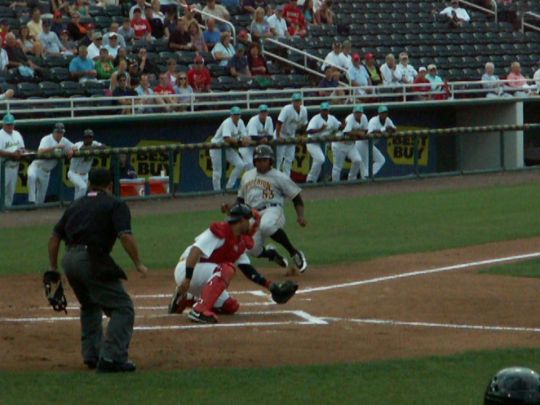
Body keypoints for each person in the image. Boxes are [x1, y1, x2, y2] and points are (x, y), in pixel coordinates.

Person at [48, 168, 148, 372]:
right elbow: (125, 236)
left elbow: (54, 237)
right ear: (111, 186)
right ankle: (112, 357)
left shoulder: (75, 204)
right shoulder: (115, 204)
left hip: (69, 260)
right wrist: (138, 263)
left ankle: (92, 355)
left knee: (90, 304)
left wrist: (53, 268)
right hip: (91, 259)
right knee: (122, 308)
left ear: (89, 184)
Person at [168, 203, 286, 323]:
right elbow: (195, 251)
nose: (254, 225)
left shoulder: (240, 241)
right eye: (251, 220)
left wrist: (271, 286)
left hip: (203, 277)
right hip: (187, 270)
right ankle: (199, 310)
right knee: (227, 269)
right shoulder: (221, 231)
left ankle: (187, 299)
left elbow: (248, 270)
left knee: (231, 306)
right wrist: (187, 278)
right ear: (241, 220)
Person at [236, 144, 308, 273]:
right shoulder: (247, 176)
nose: (261, 163)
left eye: (264, 160)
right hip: (253, 214)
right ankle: (272, 254)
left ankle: (293, 252)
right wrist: (232, 210)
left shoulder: (279, 176)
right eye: (258, 160)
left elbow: (296, 197)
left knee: (267, 225)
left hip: (273, 210)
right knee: (251, 249)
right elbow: (240, 200)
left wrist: (300, 216)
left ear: (270, 161)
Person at [28, 123, 75, 205]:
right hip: (37, 166)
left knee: (41, 199)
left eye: (61, 132)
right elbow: (40, 151)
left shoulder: (64, 141)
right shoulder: (46, 139)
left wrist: (72, 150)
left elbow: (75, 146)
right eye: (57, 132)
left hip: (46, 172)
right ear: (53, 132)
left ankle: (36, 213)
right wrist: (54, 147)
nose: (59, 134)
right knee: (31, 176)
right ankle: (31, 200)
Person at [210, 106, 247, 191]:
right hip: (216, 147)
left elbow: (245, 136)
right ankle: (217, 192)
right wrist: (239, 142)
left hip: (227, 147)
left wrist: (245, 140)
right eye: (234, 115)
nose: (236, 116)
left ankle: (229, 187)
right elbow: (227, 138)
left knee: (240, 164)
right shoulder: (227, 122)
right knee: (217, 172)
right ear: (231, 115)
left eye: (238, 115)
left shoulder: (240, 122)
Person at [305, 102, 341, 183]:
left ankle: (312, 180)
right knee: (320, 159)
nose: (325, 112)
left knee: (319, 160)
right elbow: (308, 131)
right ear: (320, 111)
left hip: (323, 144)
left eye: (326, 110)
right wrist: (319, 129)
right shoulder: (315, 119)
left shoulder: (332, 118)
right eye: (323, 110)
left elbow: (338, 126)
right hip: (312, 142)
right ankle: (310, 179)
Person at [275, 92, 308, 177]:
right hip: (281, 134)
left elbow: (304, 124)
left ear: (301, 102)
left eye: (298, 101)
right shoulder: (286, 109)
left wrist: (303, 135)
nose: (296, 103)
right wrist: (278, 136)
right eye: (295, 101)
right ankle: (276, 179)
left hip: (291, 135)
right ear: (292, 102)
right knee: (279, 158)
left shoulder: (304, 110)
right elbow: (279, 122)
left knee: (290, 158)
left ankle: (286, 178)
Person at [68, 129, 105, 200]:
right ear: (84, 138)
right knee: (83, 187)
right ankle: (78, 205)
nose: (88, 139)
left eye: (90, 137)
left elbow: (104, 147)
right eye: (86, 137)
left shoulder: (94, 143)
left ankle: (75, 206)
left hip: (85, 175)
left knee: (78, 192)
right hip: (74, 173)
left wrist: (93, 148)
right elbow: (76, 149)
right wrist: (72, 150)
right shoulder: (78, 144)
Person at [332, 105, 365, 182]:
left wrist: (359, 133)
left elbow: (365, 131)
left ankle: (351, 179)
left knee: (357, 160)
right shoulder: (350, 119)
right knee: (337, 167)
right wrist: (358, 133)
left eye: (359, 112)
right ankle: (335, 184)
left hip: (350, 145)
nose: (358, 114)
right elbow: (346, 132)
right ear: (353, 113)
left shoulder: (363, 119)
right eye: (356, 112)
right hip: (339, 145)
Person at [0, 114, 25, 207]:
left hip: (15, 166)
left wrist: (20, 151)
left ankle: (7, 212)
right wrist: (12, 154)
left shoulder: (17, 134)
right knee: (2, 190)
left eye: (11, 124)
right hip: (3, 167)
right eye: (8, 124)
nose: (10, 126)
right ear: (3, 125)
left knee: (11, 191)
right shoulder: (0, 134)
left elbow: (22, 148)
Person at [240, 104, 273, 169]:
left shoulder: (269, 120)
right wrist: (263, 139)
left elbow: (271, 136)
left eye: (265, 112)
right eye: (262, 112)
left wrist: (264, 139)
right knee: (250, 164)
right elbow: (252, 136)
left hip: (257, 146)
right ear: (259, 113)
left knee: (262, 165)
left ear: (267, 113)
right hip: (247, 147)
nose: (263, 114)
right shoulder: (253, 120)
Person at [365, 105, 395, 176]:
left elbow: (394, 129)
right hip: (363, 143)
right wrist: (384, 129)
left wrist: (390, 129)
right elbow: (370, 133)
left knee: (381, 160)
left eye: (385, 113)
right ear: (379, 114)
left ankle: (368, 176)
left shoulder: (387, 120)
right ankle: (361, 179)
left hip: (370, 144)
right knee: (362, 164)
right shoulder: (373, 120)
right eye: (382, 113)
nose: (384, 114)